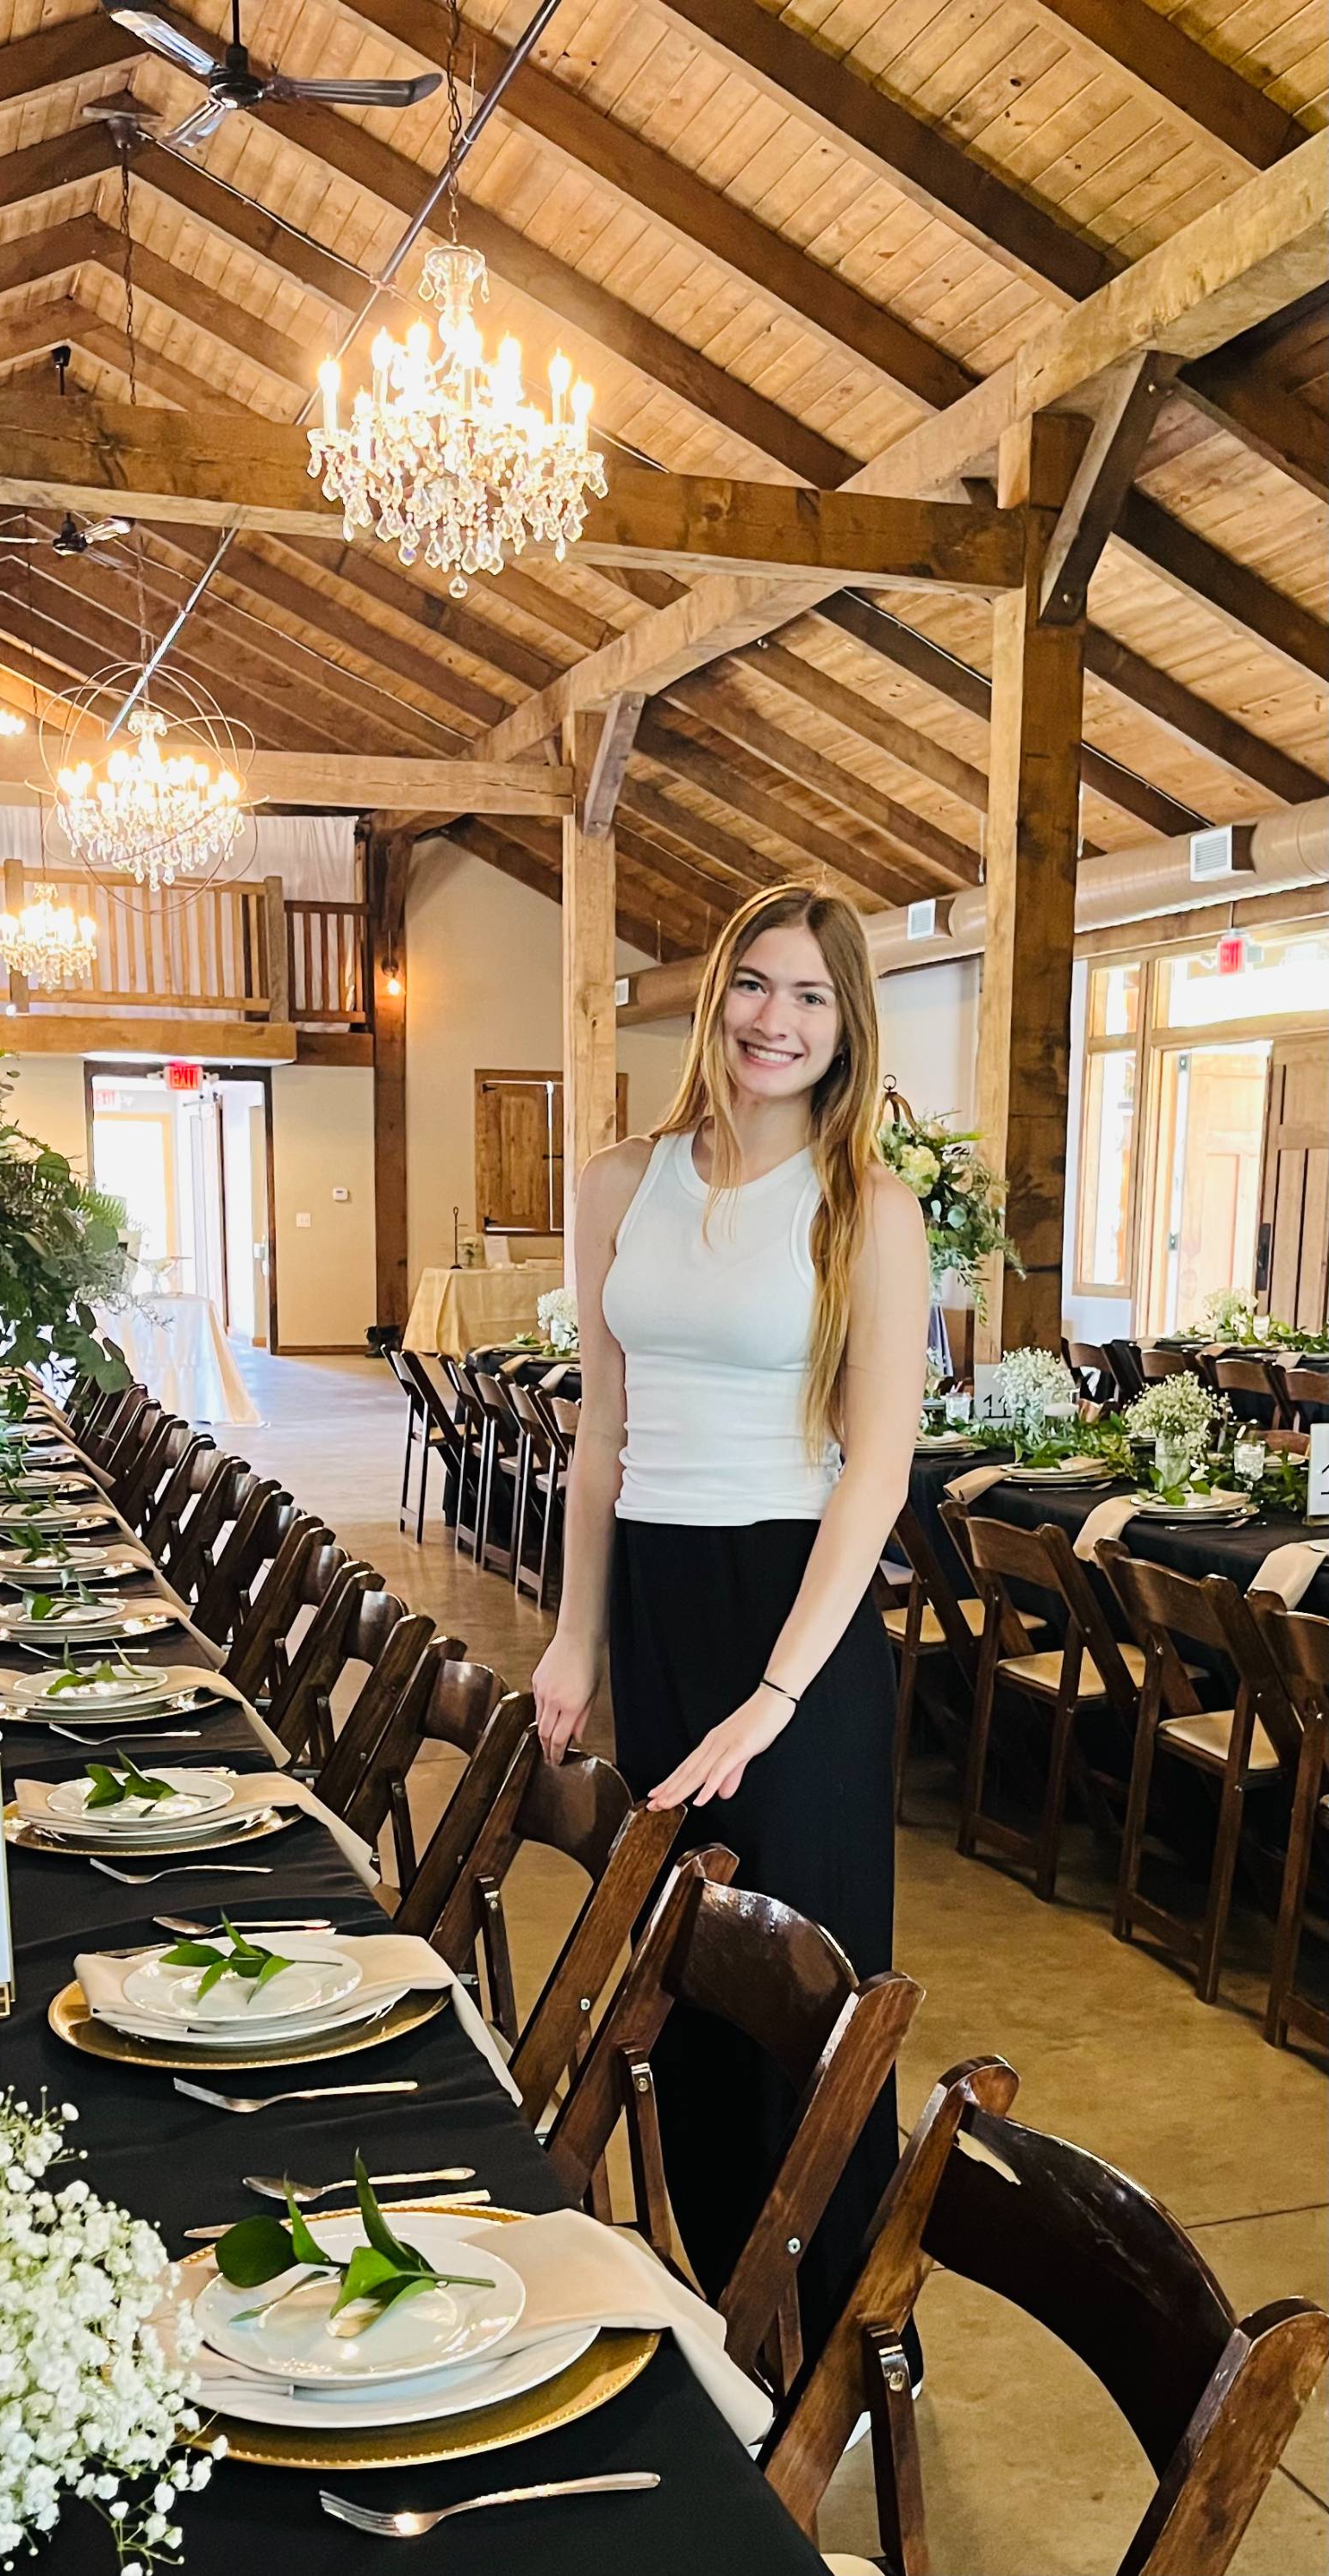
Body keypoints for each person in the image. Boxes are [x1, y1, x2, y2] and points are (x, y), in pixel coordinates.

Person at [532, 882, 929, 2362]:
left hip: (798, 1620)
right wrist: (578, 1634)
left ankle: (843, 2331)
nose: (777, 1019)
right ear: (717, 1000)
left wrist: (775, 1698)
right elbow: (601, 1435)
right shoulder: (618, 1179)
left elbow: (875, 1475)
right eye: (757, 986)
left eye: (813, 997)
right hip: (657, 1598)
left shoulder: (866, 1206)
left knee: (811, 1991)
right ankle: (717, 2291)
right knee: (683, 1956)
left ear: (846, 1026)